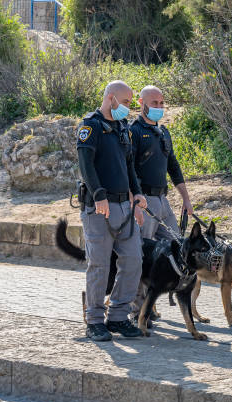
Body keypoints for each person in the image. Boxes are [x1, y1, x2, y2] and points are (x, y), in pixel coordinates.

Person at [76, 80, 148, 341]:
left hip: (124, 206)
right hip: (100, 207)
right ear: (110, 98)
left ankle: (118, 316)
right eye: (126, 102)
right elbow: (86, 164)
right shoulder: (90, 125)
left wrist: (137, 193)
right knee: (99, 264)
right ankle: (94, 320)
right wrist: (98, 195)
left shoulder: (122, 128)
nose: (129, 108)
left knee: (133, 260)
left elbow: (129, 166)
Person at [129, 85, 194, 314]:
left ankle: (157, 301)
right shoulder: (133, 132)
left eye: (161, 103)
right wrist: (135, 201)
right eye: (154, 103)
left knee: (177, 247)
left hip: (163, 201)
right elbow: (129, 169)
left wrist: (185, 198)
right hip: (143, 201)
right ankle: (138, 310)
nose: (159, 107)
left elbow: (173, 166)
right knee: (141, 256)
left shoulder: (163, 132)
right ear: (141, 103)